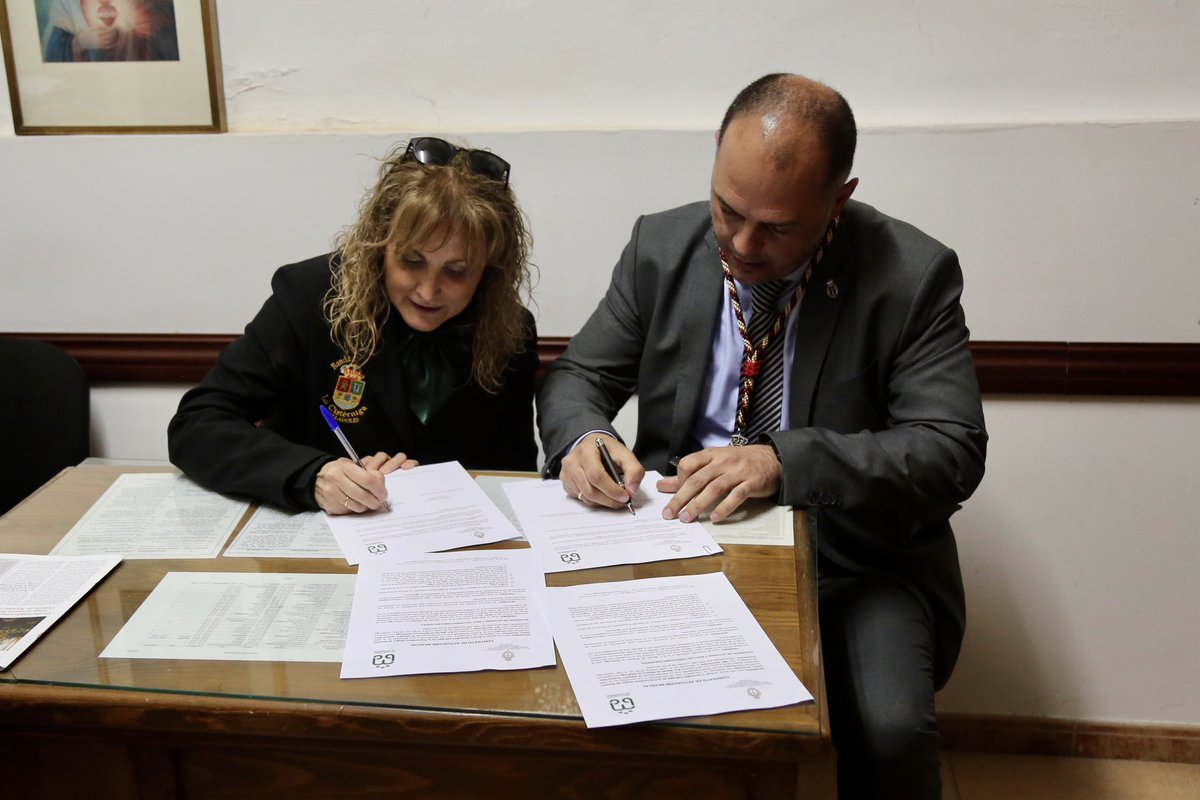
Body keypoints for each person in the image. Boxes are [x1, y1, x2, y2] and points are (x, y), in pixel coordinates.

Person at [537, 74, 987, 799]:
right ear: (716, 155)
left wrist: (786, 459)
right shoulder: (662, 245)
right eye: (728, 210)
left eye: (777, 228)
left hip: (848, 557)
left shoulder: (911, 273)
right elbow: (575, 379)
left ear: (838, 198)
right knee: (591, 715)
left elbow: (951, 447)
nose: (743, 244)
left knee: (894, 729)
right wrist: (584, 437)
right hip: (678, 535)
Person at [170, 137, 538, 515]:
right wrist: (314, 474)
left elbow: (511, 472)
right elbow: (197, 425)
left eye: (457, 271)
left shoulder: (511, 330)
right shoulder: (308, 297)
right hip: (314, 540)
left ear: (491, 270)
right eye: (411, 261)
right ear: (380, 244)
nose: (428, 291)